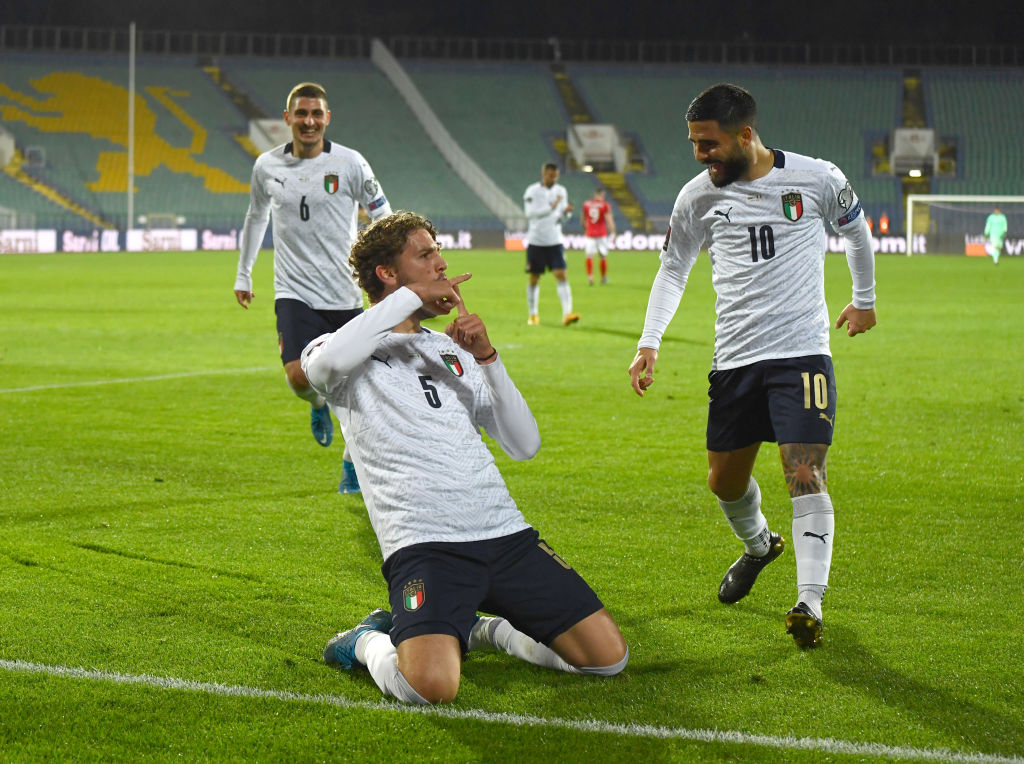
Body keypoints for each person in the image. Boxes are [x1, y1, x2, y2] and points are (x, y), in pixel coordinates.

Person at [302, 211, 628, 704]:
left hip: (505, 535)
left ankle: (484, 631)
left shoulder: (450, 348)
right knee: (430, 688)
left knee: (608, 659)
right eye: (426, 254)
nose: (441, 263)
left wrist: (488, 359)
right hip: (425, 545)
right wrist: (412, 300)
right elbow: (323, 366)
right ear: (388, 274)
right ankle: (366, 642)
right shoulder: (337, 350)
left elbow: (524, 444)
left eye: (439, 252)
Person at [627, 83, 877, 650]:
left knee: (804, 471)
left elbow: (855, 230)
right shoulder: (697, 197)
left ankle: (808, 602)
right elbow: (673, 269)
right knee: (724, 480)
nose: (700, 154)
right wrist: (649, 341)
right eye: (694, 144)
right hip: (735, 359)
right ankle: (760, 546)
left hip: (802, 354)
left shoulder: (816, 178)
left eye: (709, 143)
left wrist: (864, 298)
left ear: (745, 135)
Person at [233, 82, 392, 494]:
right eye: (301, 114)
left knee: (360, 389)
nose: (309, 121)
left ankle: (351, 466)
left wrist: (387, 265)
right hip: (294, 290)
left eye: (316, 114)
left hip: (345, 291)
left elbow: (381, 211)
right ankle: (317, 406)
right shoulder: (266, 167)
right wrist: (243, 273)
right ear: (287, 119)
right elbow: (255, 219)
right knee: (299, 378)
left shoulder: (351, 163)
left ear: (327, 118)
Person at [523, 163, 579, 326]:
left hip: (555, 240)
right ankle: (533, 314)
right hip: (536, 241)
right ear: (543, 174)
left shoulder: (561, 191)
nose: (553, 178)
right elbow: (530, 213)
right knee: (534, 277)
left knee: (561, 274)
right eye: (550, 175)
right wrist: (552, 207)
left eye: (555, 176)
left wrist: (567, 212)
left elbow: (562, 217)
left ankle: (567, 314)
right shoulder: (532, 191)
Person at [582, 188, 617, 285]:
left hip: (590, 234)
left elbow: (583, 220)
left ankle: (590, 278)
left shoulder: (587, 204)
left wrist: (587, 229)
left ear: (595, 194)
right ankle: (603, 278)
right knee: (602, 256)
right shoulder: (604, 205)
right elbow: (609, 220)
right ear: (602, 195)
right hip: (601, 234)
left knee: (589, 255)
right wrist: (613, 233)